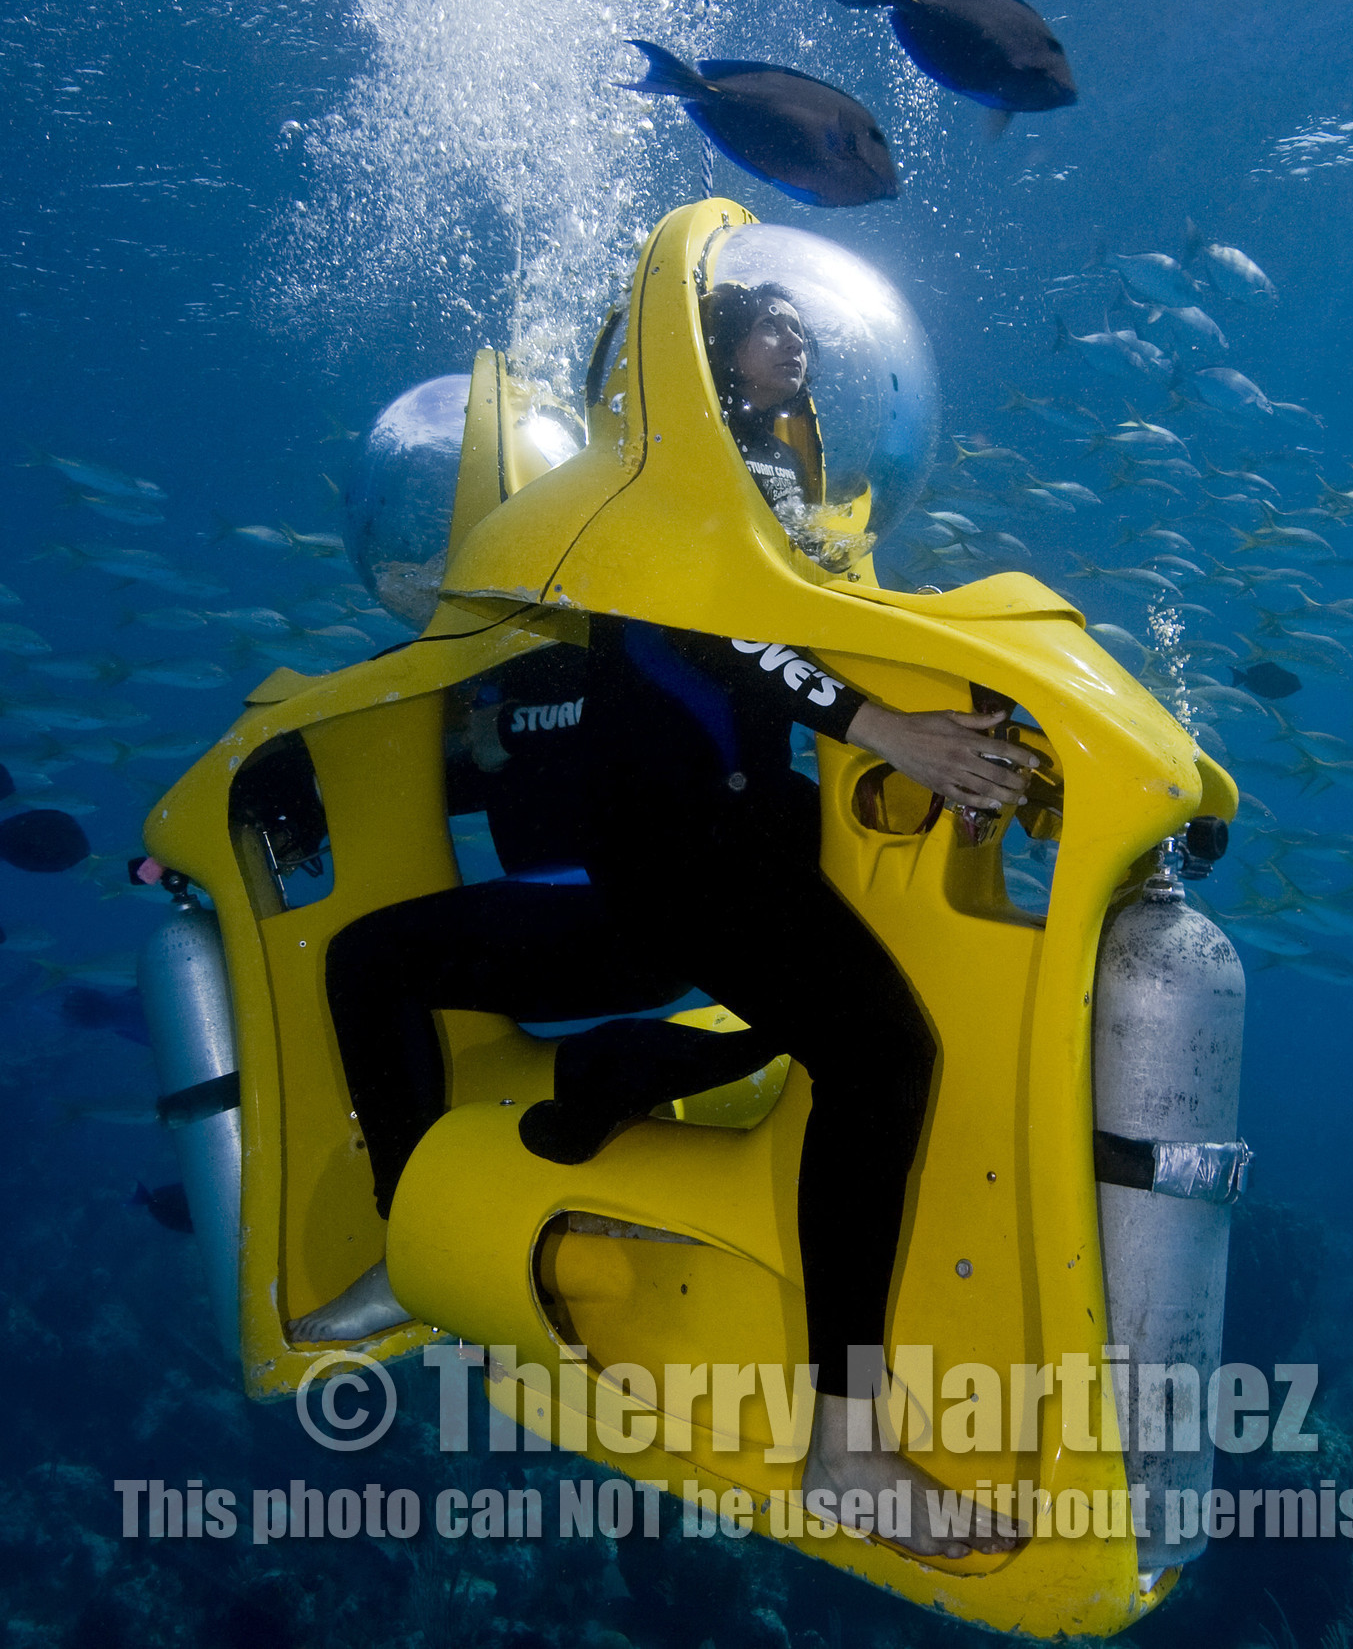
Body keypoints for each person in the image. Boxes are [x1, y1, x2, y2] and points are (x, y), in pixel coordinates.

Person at [289, 283, 1040, 1557]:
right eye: (768, 320)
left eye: (800, 321)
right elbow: (710, 630)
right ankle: (416, 1239)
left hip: (701, 874)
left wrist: (959, 743)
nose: (797, 338)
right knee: (370, 960)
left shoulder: (764, 485)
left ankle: (620, 1110)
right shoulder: (657, 494)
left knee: (871, 1051)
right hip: (672, 878)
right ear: (703, 354)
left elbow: (798, 635)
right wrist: (889, 730)